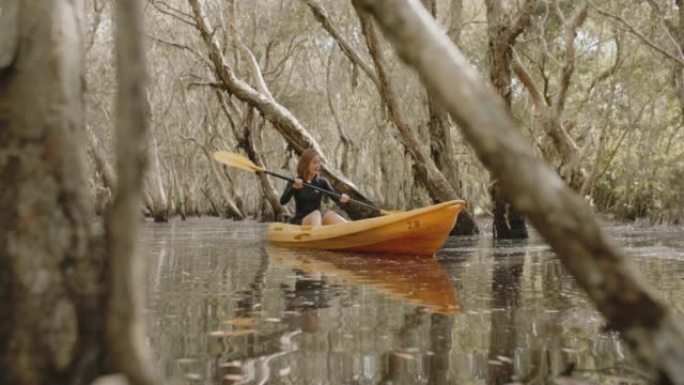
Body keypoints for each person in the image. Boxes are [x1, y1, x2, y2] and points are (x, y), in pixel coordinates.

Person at [280, 148, 350, 225]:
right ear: (306, 164)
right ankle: (319, 235)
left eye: (318, 162)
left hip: (317, 221)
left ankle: (352, 229)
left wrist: (342, 198)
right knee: (316, 214)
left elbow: (335, 196)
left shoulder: (322, 182)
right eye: (314, 163)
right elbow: (282, 201)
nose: (317, 166)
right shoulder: (295, 181)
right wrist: (293, 188)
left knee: (329, 215)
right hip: (301, 221)